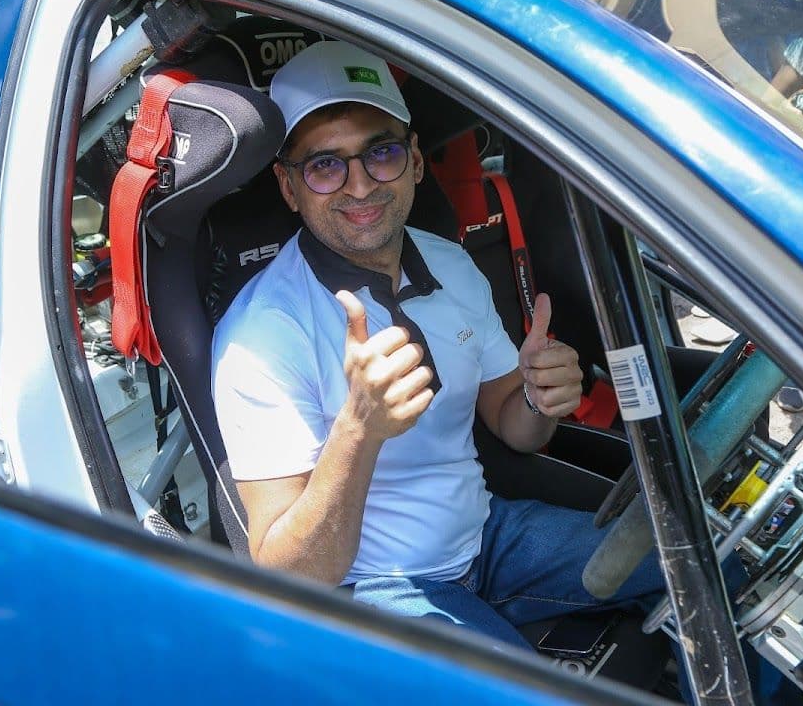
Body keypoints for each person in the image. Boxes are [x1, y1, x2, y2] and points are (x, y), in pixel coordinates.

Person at [211, 40, 667, 653]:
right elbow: (287, 579)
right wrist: (358, 430)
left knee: (701, 564)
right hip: (372, 589)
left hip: (487, 537)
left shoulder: (452, 265)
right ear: (289, 188)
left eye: (382, 153)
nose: (360, 185)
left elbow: (514, 429)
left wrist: (539, 397)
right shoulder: (262, 334)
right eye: (325, 165)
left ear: (416, 163)